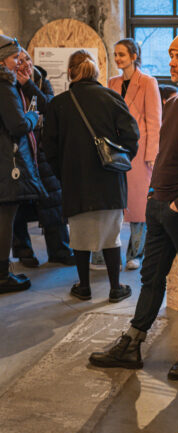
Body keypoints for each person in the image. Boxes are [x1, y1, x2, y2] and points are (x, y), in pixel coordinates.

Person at [89, 33, 178, 377]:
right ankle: (132, 343)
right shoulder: (174, 102)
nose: (172, 62)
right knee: (151, 277)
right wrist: (152, 193)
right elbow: (164, 154)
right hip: (159, 206)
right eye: (171, 55)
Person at [43, 50, 140, 302]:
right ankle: (115, 288)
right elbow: (131, 135)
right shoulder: (111, 97)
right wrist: (121, 160)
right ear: (95, 70)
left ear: (70, 72)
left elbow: (49, 148)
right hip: (109, 178)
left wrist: (63, 172)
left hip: (75, 180)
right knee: (112, 235)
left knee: (79, 235)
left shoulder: (59, 104)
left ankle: (84, 287)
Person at [91, 38, 162, 272]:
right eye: (115, 54)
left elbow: (154, 121)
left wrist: (152, 153)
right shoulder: (112, 83)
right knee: (113, 202)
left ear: (134, 56)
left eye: (121, 54)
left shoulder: (148, 82)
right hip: (115, 149)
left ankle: (136, 254)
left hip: (139, 150)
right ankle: (107, 254)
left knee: (139, 205)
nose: (117, 59)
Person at [12, 49, 75, 267]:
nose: (26, 64)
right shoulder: (7, 84)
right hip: (19, 151)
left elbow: (50, 106)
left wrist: (29, 85)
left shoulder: (40, 79)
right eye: (20, 60)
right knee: (20, 203)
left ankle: (59, 249)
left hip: (43, 149)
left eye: (27, 59)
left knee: (53, 201)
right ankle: (24, 252)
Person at [0, 34, 45, 294]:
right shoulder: (4, 85)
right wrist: (31, 117)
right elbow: (17, 125)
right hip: (7, 162)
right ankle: (2, 275)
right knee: (5, 218)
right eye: (14, 57)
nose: (18, 61)